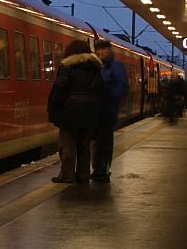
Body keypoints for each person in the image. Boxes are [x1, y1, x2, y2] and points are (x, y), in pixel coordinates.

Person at [47, 39, 103, 184]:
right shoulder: (96, 68)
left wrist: (53, 108)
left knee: (68, 145)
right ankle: (83, 175)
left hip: (70, 111)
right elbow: (100, 90)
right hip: (91, 111)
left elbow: (60, 88)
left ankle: (67, 175)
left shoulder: (67, 67)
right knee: (84, 146)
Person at [91, 40, 127, 182]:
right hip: (94, 111)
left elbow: (121, 87)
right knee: (95, 142)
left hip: (107, 110)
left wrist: (108, 98)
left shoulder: (116, 67)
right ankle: (96, 169)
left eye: (103, 50)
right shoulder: (95, 66)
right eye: (98, 50)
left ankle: (103, 170)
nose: (100, 53)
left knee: (104, 142)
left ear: (109, 50)